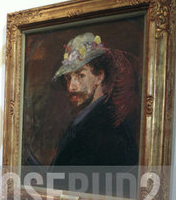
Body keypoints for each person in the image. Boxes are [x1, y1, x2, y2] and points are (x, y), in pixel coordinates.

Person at [50, 32, 140, 167]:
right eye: (68, 78)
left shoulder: (110, 127)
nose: (71, 87)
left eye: (81, 75)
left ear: (99, 76)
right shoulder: (84, 119)